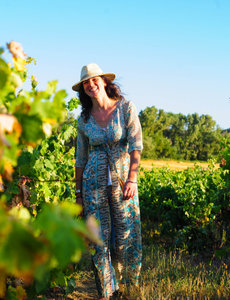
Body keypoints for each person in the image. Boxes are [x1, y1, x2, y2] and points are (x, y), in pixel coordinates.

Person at [73, 63, 143, 299]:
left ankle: (126, 286)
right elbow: (80, 159)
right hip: (93, 186)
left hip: (124, 184)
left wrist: (132, 179)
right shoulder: (83, 120)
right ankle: (106, 290)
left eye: (94, 79)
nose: (91, 84)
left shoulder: (125, 108)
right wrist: (78, 194)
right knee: (99, 240)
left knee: (125, 235)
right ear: (83, 88)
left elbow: (136, 146)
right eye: (86, 82)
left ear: (104, 81)